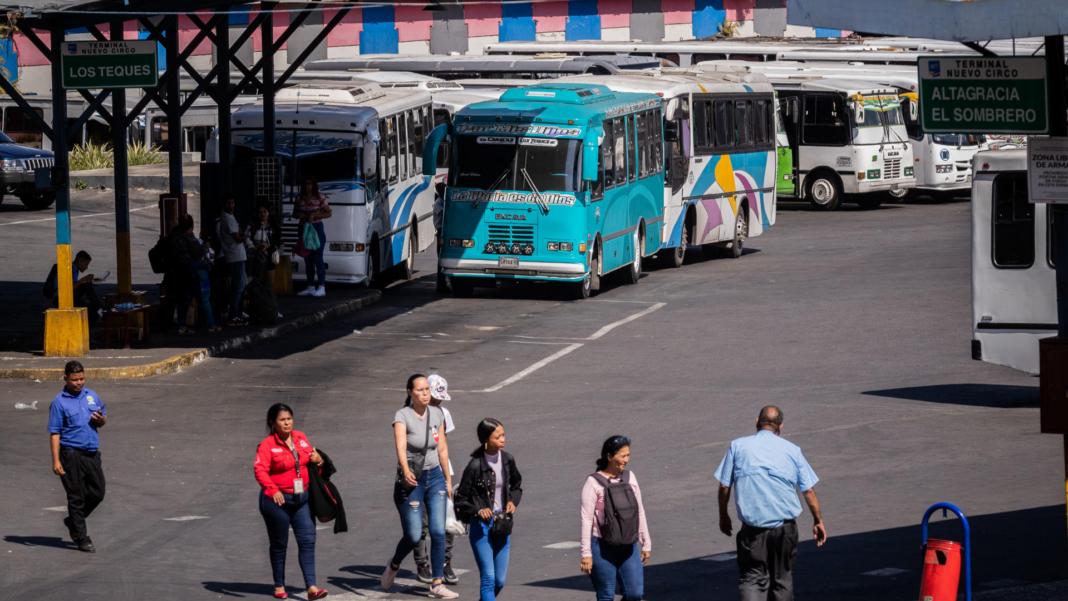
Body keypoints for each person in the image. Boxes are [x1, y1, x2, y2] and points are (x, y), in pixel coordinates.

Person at [715, 406, 826, 601]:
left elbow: (724, 486)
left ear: (757, 422)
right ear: (780, 427)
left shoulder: (738, 446)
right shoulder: (793, 450)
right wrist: (818, 520)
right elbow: (807, 489)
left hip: (753, 530)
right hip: (785, 529)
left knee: (752, 579)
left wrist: (724, 516)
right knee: (782, 580)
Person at [381, 374, 458, 599]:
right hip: (412, 478)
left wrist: (448, 480)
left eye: (427, 390)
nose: (426, 394)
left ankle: (437, 583)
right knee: (414, 535)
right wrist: (405, 471)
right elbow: (400, 445)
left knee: (438, 530)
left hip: (435, 477)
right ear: (410, 392)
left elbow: (442, 448)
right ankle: (394, 565)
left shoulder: (438, 413)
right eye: (420, 390)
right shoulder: (402, 415)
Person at [254, 403, 329, 600]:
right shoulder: (267, 445)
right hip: (277, 503)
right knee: (279, 544)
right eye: (282, 420)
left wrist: (319, 460)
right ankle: (279, 586)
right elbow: (260, 470)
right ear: (273, 423)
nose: (287, 423)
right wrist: (272, 489)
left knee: (307, 542)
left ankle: (311, 588)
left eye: (289, 418)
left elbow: (312, 463)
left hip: (302, 499)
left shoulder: (300, 437)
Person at [455, 418, 523, 601]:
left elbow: (516, 486)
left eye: (503, 435)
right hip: (482, 526)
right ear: (485, 440)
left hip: (503, 524)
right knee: (488, 578)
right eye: (497, 436)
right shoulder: (475, 465)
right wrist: (478, 510)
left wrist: (513, 501)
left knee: (499, 581)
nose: (503, 439)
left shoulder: (508, 460)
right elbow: (460, 498)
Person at [580, 436, 651, 601]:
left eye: (628, 455)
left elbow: (639, 510)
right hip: (602, 546)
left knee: (634, 595)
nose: (626, 459)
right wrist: (586, 553)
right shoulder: (593, 483)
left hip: (628, 544)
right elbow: (586, 519)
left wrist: (646, 541)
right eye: (622, 456)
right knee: (606, 596)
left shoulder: (630, 477)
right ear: (609, 456)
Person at [47, 360, 107, 553]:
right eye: (75, 380)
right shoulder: (59, 402)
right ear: (65, 378)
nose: (79, 383)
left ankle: (73, 520)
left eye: (81, 379)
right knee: (76, 497)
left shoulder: (92, 396)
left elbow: (102, 420)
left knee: (98, 493)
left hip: (91, 454)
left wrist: (101, 420)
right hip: (70, 455)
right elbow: (55, 433)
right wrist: (56, 460)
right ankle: (81, 538)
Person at [414, 374, 459, 584]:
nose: (438, 401)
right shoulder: (410, 414)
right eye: (435, 398)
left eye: (440, 398)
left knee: (445, 520)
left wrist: (449, 479)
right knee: (420, 523)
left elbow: (444, 446)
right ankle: (422, 563)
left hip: (441, 472)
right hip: (418, 474)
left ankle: (444, 562)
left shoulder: (444, 413)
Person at [170, 214, 220, 334]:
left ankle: (182, 326)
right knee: (204, 299)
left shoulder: (175, 238)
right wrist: (206, 246)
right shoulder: (191, 239)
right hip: (196, 272)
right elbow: (198, 254)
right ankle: (211, 325)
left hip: (181, 273)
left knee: (185, 299)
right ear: (192, 226)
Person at [293, 177, 331, 297]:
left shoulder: (319, 197)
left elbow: (328, 212)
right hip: (303, 229)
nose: (307, 186)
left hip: (316, 228)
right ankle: (310, 286)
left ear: (313, 185)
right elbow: (295, 213)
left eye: (309, 183)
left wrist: (314, 216)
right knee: (307, 258)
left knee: (317, 257)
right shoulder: (299, 197)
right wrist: (299, 214)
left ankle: (321, 286)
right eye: (305, 183)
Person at [47, 250, 104, 326]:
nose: (87, 267)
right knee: (86, 285)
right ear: (80, 262)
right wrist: (84, 279)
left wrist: (90, 282)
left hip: (68, 297)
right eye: (86, 264)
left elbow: (74, 286)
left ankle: (84, 334)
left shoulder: (75, 270)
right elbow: (67, 288)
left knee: (93, 312)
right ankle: (101, 310)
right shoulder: (68, 269)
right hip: (60, 299)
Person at [218, 194, 248, 326]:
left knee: (241, 286)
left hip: (237, 256)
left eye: (232, 203)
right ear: (224, 205)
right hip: (235, 256)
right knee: (237, 287)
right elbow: (238, 237)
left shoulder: (230, 217)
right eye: (228, 203)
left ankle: (238, 313)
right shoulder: (227, 218)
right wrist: (242, 236)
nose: (231, 205)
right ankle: (234, 315)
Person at [248, 202, 283, 286]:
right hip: (254, 259)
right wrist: (256, 247)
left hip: (269, 258)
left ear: (269, 212)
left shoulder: (275, 227)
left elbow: (277, 243)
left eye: (264, 211)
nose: (263, 214)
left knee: (269, 285)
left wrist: (268, 247)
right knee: (255, 283)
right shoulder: (252, 226)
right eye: (260, 212)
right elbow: (247, 240)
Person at [432, 182, 448, 293]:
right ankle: (440, 284)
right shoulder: (439, 203)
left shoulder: (444, 201)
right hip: (441, 231)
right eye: (443, 190)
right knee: (441, 257)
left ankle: (444, 283)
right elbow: (445, 213)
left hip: (445, 231)